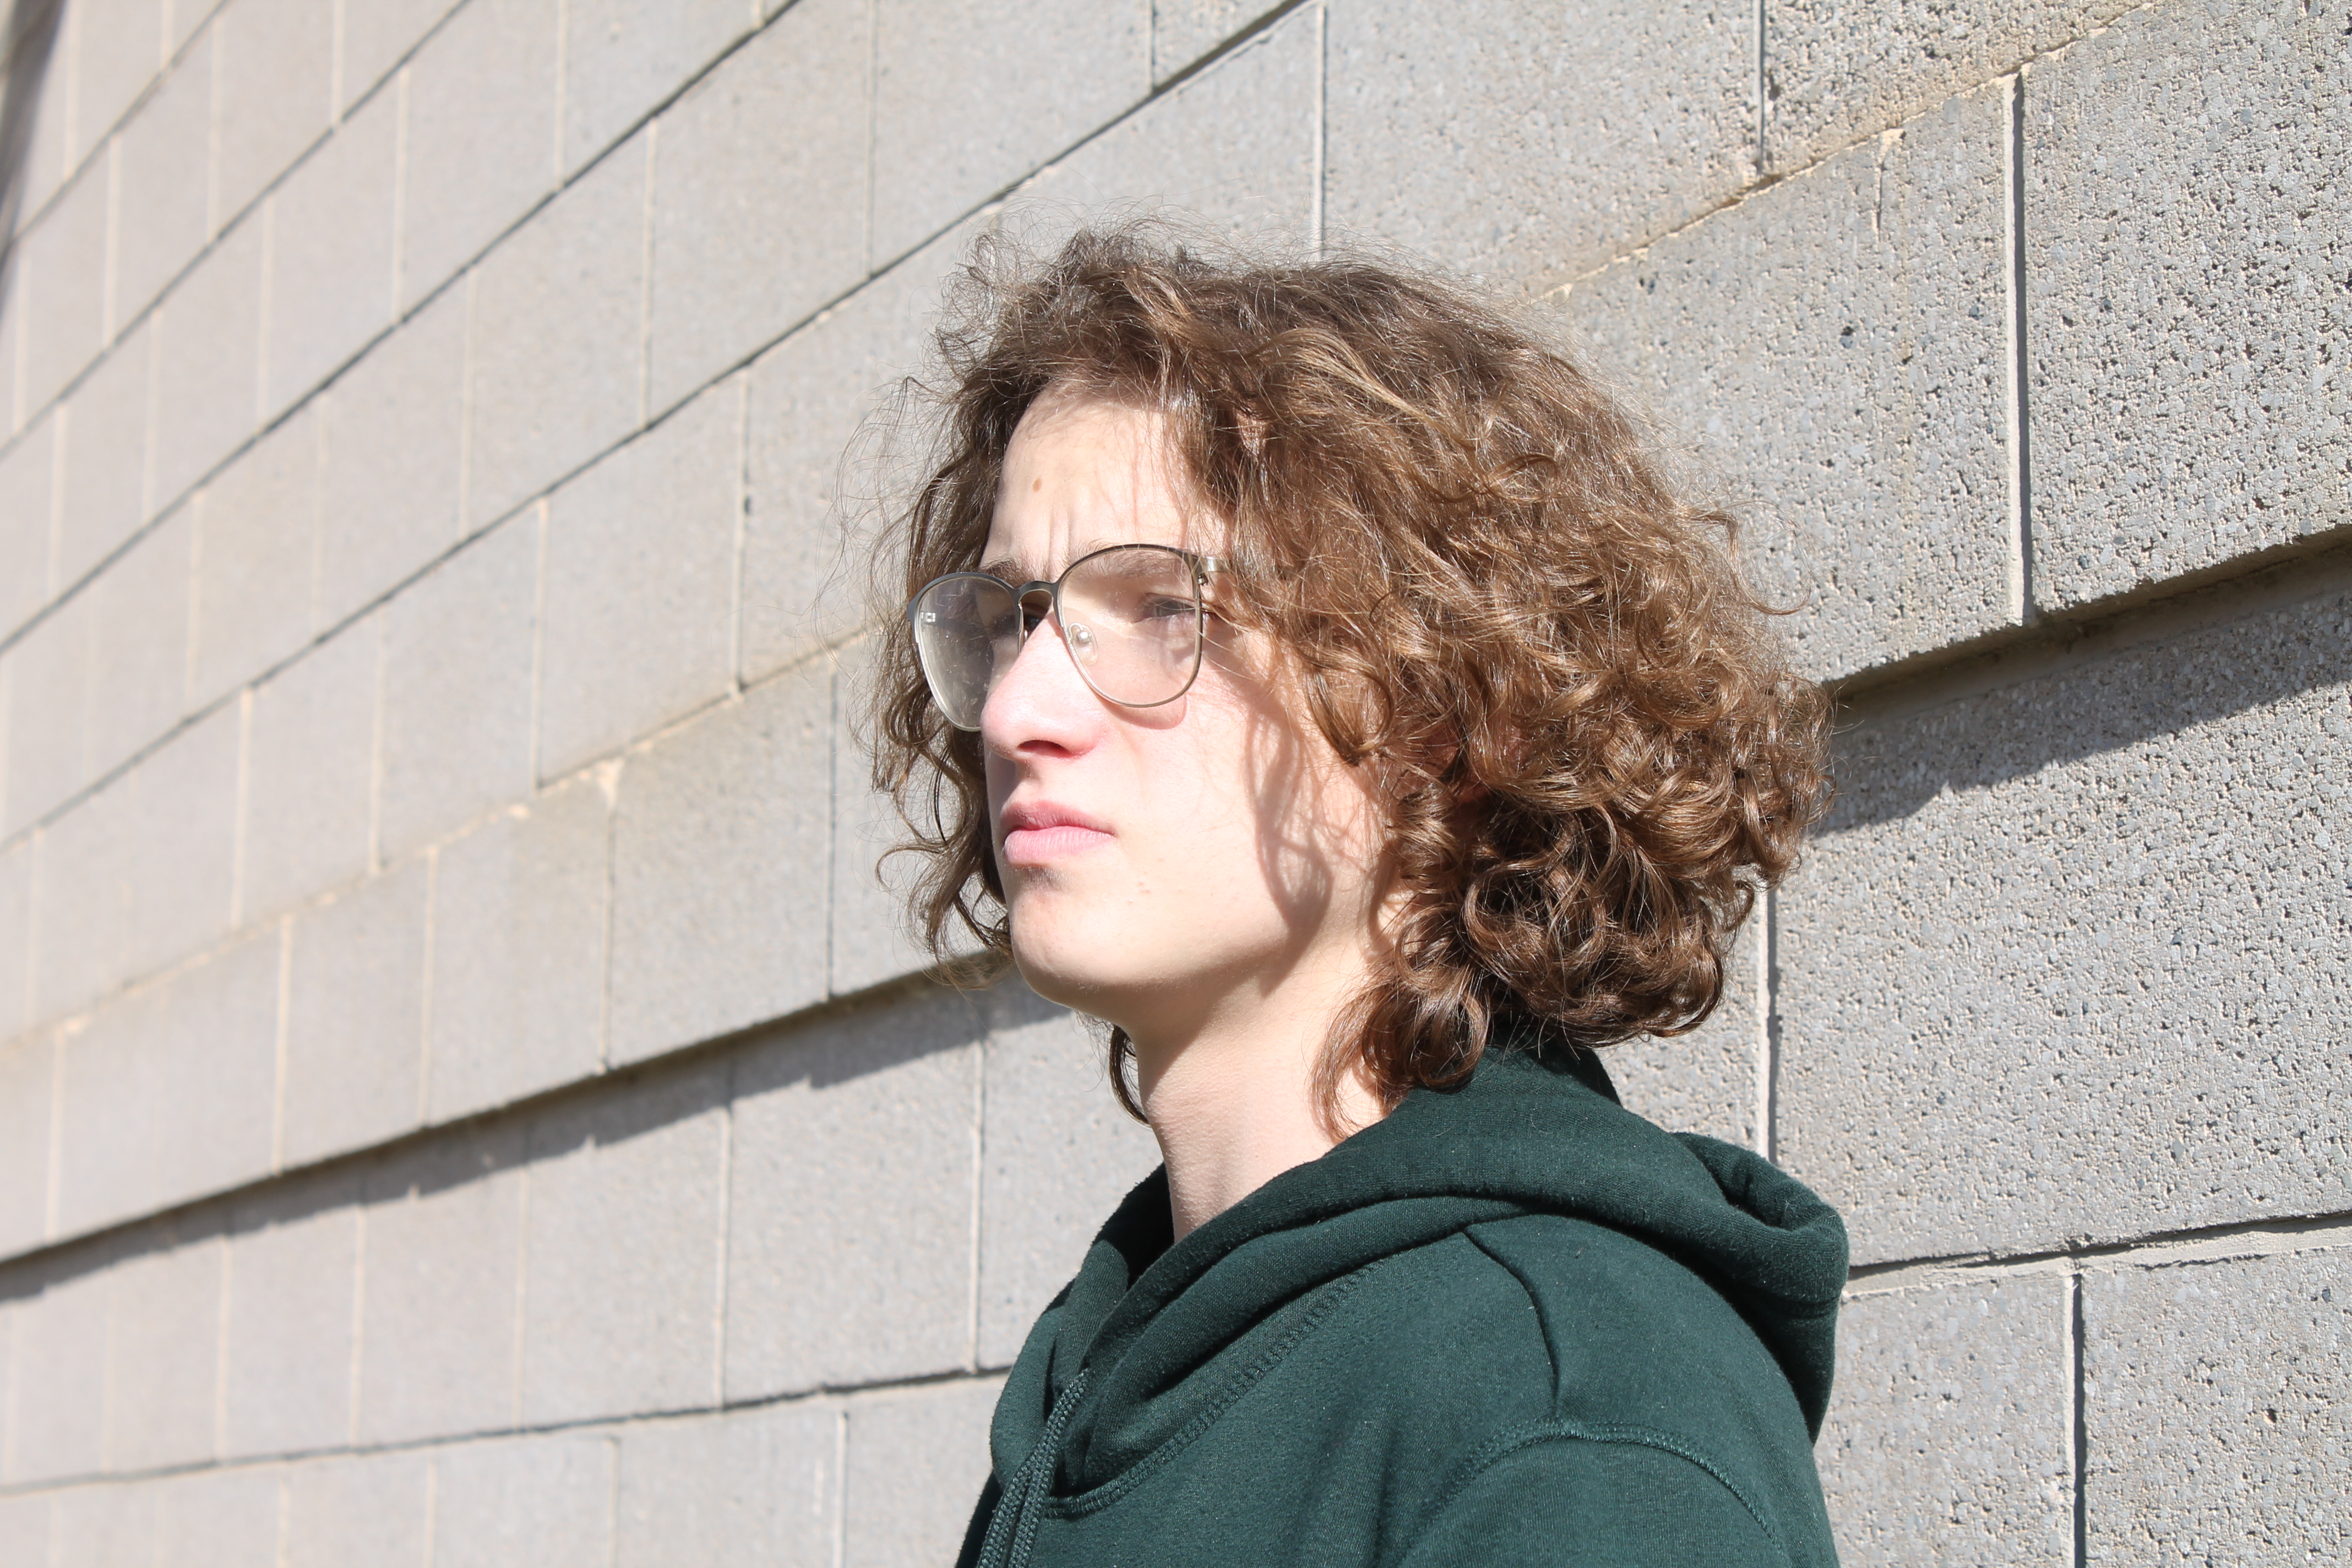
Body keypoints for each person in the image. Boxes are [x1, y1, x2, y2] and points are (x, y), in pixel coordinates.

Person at [865, 224, 1846, 1568]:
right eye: (1011, 619)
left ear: (1437, 706)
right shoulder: (1109, 1379)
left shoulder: (1563, 1419)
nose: (1020, 709)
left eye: (1160, 607)